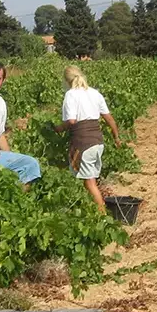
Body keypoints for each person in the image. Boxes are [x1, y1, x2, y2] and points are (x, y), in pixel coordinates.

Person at [53, 65, 120, 211]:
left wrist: (58, 129)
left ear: (66, 80)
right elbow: (109, 118)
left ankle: (102, 215)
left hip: (84, 143)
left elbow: (71, 121)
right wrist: (116, 137)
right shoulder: (94, 93)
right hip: (98, 142)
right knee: (90, 179)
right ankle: (93, 209)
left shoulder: (71, 95)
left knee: (89, 182)